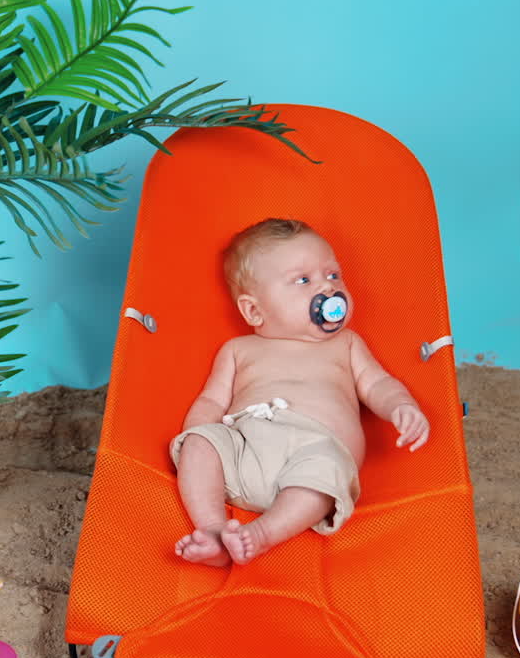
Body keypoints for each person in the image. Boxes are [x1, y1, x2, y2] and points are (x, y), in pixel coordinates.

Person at [171, 218, 430, 566]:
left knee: (328, 471)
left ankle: (263, 533)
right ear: (253, 310)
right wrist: (199, 437)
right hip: (245, 449)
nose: (327, 289)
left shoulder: (347, 344)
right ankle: (214, 531)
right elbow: (212, 401)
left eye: (333, 275)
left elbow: (377, 383)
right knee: (198, 444)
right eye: (303, 280)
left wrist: (401, 405)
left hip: (315, 450)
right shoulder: (238, 349)